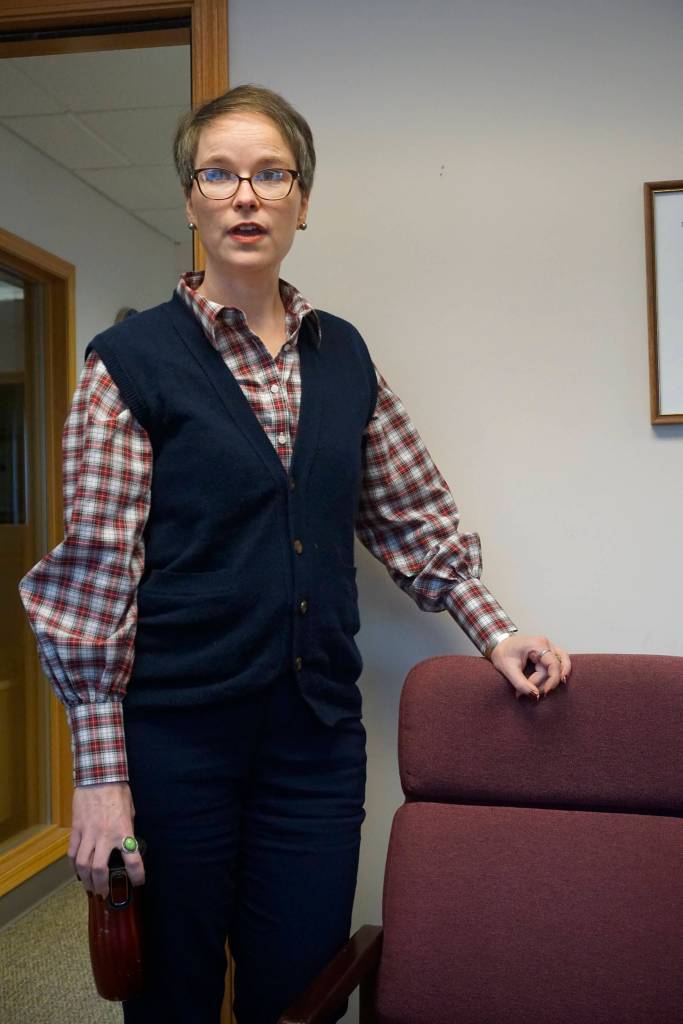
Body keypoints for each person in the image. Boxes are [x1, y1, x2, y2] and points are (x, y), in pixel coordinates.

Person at [20, 84, 571, 1024]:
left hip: (313, 741)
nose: (246, 195)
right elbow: (96, 583)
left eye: (271, 174)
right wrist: (100, 778)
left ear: (301, 202)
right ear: (190, 200)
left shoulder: (344, 354)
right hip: (173, 741)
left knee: (302, 988)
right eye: (220, 174)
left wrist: (497, 631)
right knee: (170, 992)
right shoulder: (128, 361)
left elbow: (407, 516)